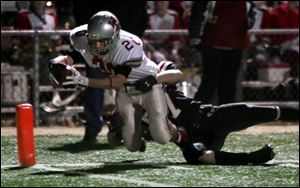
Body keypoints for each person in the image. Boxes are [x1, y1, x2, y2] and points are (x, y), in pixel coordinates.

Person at [107, 60, 299, 165]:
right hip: (188, 137)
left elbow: (175, 73)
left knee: (255, 112)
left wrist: (152, 80)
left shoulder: (153, 73)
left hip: (207, 117)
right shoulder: (126, 107)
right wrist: (116, 130)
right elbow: (113, 140)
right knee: (198, 157)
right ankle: (249, 158)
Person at [49, 11, 172, 152]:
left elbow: (119, 81)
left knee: (161, 135)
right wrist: (55, 63)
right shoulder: (84, 39)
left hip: (148, 83)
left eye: (103, 42)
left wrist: (85, 81)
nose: (98, 46)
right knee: (128, 144)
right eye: (94, 42)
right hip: (126, 90)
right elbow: (68, 59)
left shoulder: (128, 45)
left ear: (115, 35)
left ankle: (178, 136)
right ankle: (140, 128)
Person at [189, 2, 256, 104]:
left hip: (235, 47)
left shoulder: (246, 3)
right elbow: (198, 15)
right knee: (209, 84)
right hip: (212, 46)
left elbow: (250, 20)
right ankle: (198, 115)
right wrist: (196, 38)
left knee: (229, 86)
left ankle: (226, 116)